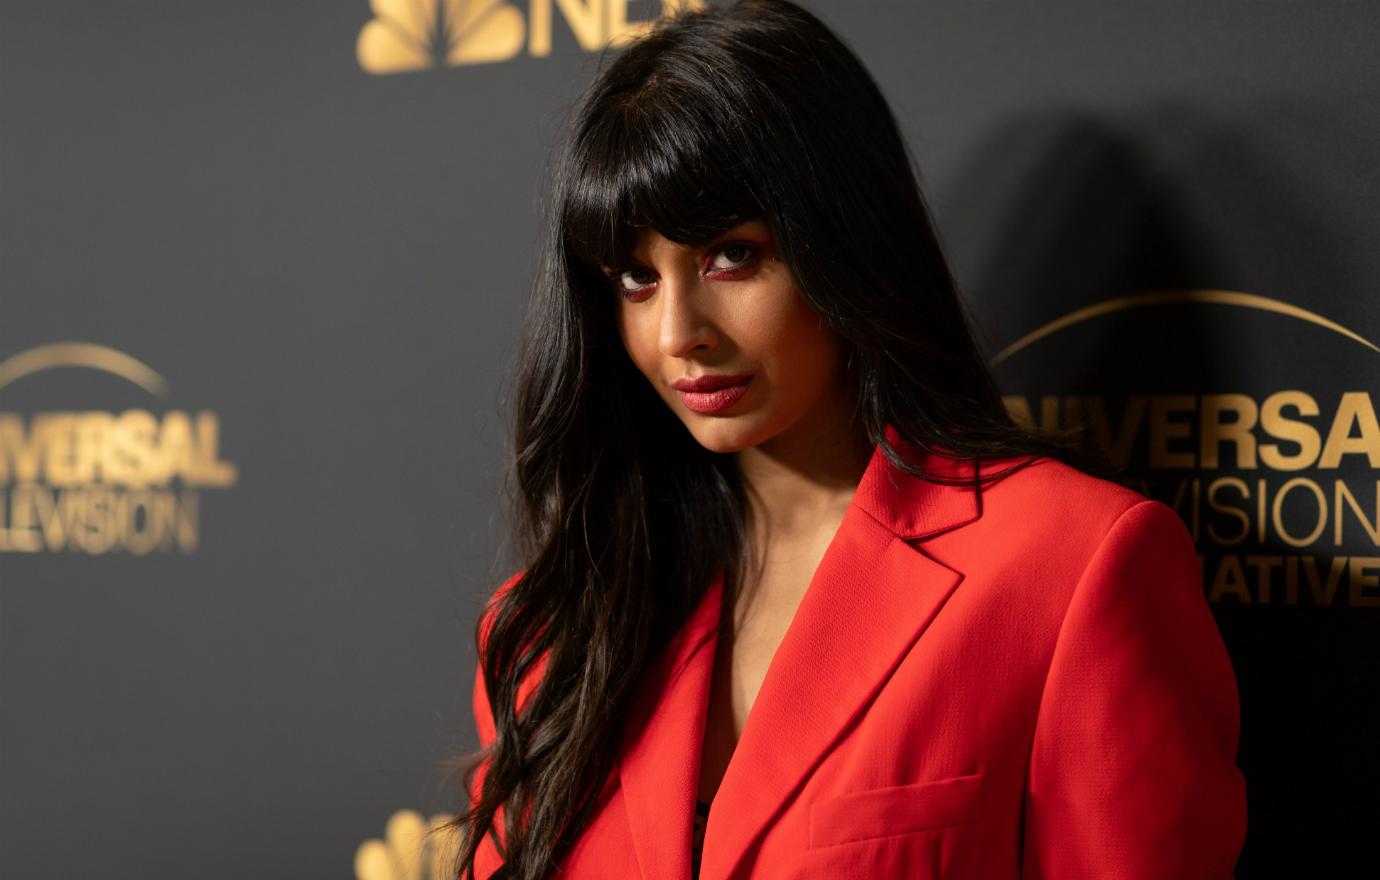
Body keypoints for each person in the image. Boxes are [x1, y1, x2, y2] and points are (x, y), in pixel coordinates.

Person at [439, 1, 1247, 878]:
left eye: (730, 256)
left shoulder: (1069, 568)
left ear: (843, 238)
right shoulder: (554, 631)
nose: (678, 333)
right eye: (636, 277)